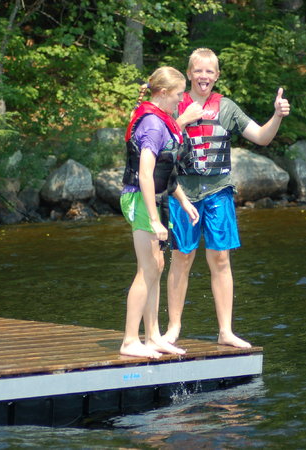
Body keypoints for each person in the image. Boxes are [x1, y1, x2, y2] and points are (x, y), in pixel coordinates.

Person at [165, 48, 290, 348]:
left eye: (209, 71)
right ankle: (173, 328)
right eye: (198, 70)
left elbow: (262, 137)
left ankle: (225, 331)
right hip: (182, 193)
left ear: (217, 76)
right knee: (182, 257)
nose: (203, 76)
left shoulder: (227, 108)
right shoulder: (175, 105)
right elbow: (159, 142)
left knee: (221, 258)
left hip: (218, 192)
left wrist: (277, 115)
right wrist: (182, 120)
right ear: (189, 73)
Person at [120, 66, 200, 359]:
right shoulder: (153, 124)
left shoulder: (161, 119)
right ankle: (130, 340)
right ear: (164, 93)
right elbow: (145, 174)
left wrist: (184, 201)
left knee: (157, 265)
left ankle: (152, 336)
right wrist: (154, 219)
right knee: (148, 268)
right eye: (179, 94)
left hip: (153, 199)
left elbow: (164, 172)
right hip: (140, 200)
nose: (181, 100)